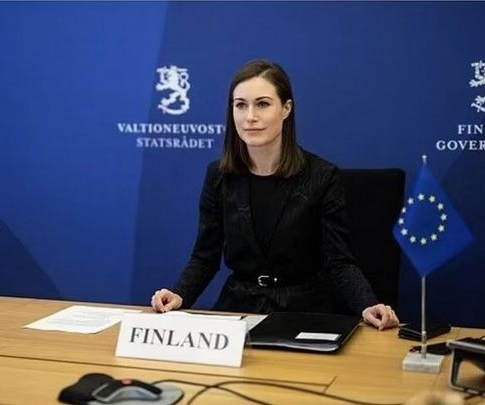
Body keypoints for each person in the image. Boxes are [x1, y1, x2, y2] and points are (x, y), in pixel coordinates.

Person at [152, 59, 399, 330]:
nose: (250, 117)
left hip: (305, 312)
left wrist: (367, 304)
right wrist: (180, 293)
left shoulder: (322, 176)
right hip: (238, 308)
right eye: (240, 105)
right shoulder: (219, 176)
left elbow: (338, 261)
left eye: (262, 104)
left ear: (286, 109)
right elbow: (205, 257)